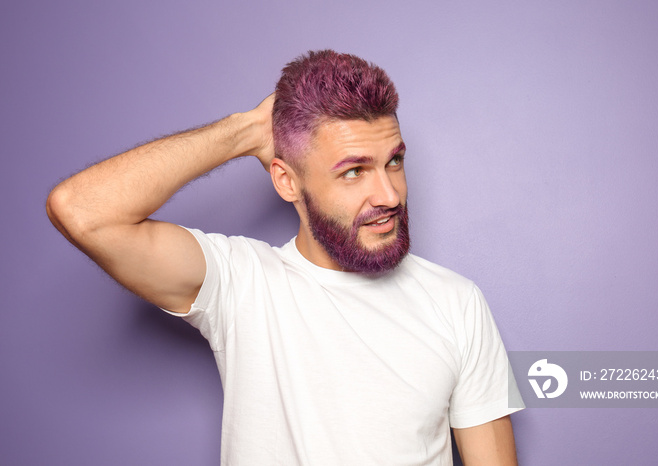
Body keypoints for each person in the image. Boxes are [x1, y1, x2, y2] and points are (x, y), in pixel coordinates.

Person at [47, 50, 524, 465]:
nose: (390, 194)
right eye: (354, 171)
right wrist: (248, 129)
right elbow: (81, 211)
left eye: (393, 161)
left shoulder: (457, 303)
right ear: (286, 181)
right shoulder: (241, 283)